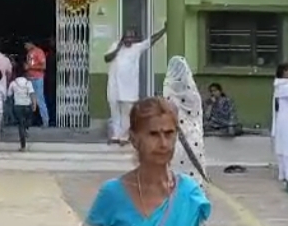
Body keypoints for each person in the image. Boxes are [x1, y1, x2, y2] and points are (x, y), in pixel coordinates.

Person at [85, 97, 211, 226]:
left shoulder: (188, 193)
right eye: (153, 134)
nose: (163, 144)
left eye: (169, 133)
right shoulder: (112, 194)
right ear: (134, 139)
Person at [105, 24, 167, 144]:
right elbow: (107, 58)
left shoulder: (137, 48)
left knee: (127, 114)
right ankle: (115, 136)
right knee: (114, 112)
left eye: (131, 37)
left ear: (134, 39)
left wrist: (164, 30)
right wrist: (118, 47)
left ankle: (124, 137)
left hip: (129, 88)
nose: (128, 39)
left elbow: (151, 40)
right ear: (123, 37)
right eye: (126, 37)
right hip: (114, 87)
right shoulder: (115, 46)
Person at [162, 56, 207, 187]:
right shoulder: (193, 93)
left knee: (176, 182)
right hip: (194, 142)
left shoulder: (169, 89)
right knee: (195, 181)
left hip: (176, 142)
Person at [8, 66, 38, 151]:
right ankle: (26, 128)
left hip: (18, 106)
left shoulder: (13, 83)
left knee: (20, 125)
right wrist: (34, 104)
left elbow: (9, 95)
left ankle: (23, 146)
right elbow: (32, 94)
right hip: (27, 105)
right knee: (27, 120)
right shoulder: (28, 83)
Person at [23, 40, 50, 128]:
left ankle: (45, 121)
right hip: (29, 79)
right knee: (29, 100)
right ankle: (29, 121)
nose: (25, 47)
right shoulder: (29, 53)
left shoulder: (39, 52)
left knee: (39, 99)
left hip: (37, 79)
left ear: (31, 43)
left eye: (26, 45)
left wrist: (30, 67)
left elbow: (43, 66)